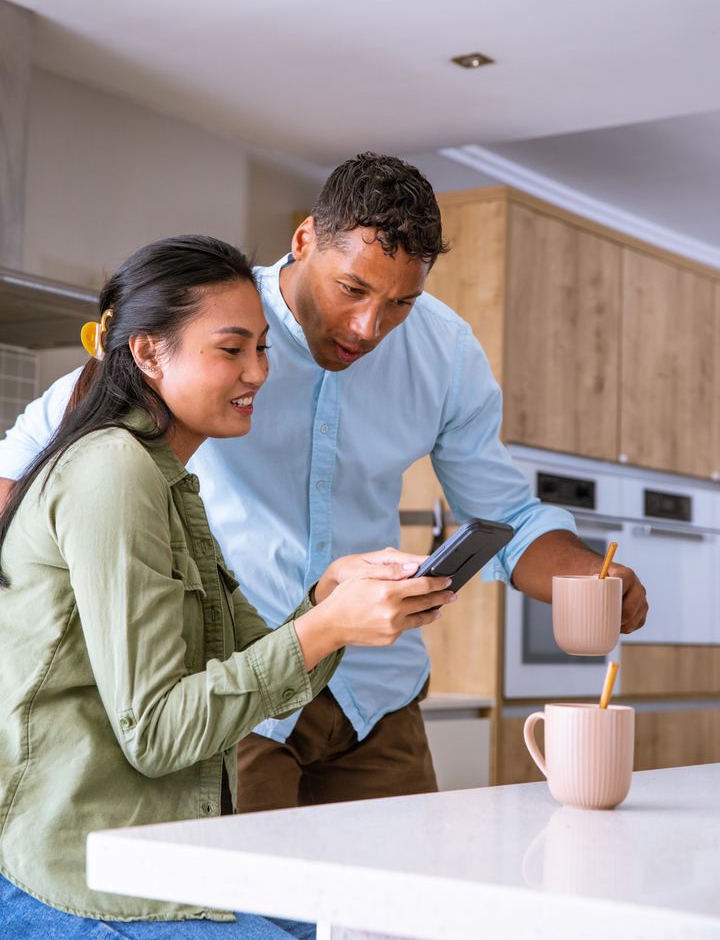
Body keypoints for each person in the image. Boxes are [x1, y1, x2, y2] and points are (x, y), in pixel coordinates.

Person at [0, 154, 648, 815]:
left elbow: (505, 511)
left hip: (375, 696)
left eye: (401, 302)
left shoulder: (445, 352)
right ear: (305, 239)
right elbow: (22, 468)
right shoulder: (207, 324)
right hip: (234, 697)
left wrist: (588, 576)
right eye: (353, 289)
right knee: (255, 915)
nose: (370, 328)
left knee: (400, 915)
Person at [0, 235, 456, 935]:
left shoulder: (170, 480)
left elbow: (255, 661)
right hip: (80, 868)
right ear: (149, 352)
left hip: (164, 849)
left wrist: (326, 602)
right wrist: (327, 626)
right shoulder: (112, 473)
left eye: (263, 349)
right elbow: (155, 732)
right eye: (231, 349)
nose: (258, 373)